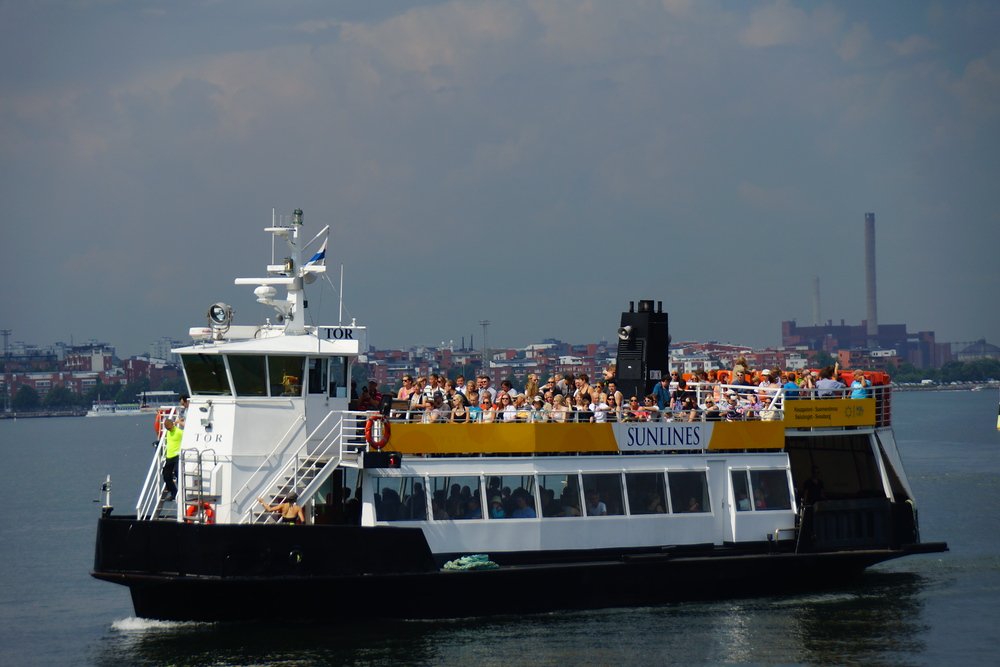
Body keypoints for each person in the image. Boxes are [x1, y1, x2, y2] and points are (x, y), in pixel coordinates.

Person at [161, 418, 183, 501]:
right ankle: (174, 492)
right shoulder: (168, 432)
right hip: (169, 456)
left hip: (177, 456)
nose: (169, 429)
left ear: (173, 425)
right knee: (166, 475)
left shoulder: (179, 432)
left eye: (169, 428)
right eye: (167, 428)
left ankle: (180, 493)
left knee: (177, 473)